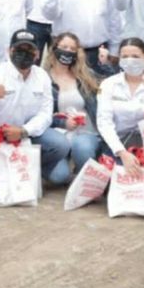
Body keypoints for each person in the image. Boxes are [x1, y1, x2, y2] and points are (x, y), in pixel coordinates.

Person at [0, 29, 72, 186]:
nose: (24, 53)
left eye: (29, 50)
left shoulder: (42, 76)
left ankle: (26, 167)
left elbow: (45, 114)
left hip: (26, 136)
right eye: (19, 49)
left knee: (60, 150)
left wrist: (23, 131)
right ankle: (14, 168)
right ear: (9, 51)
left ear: (37, 54)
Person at [94, 38, 144, 177]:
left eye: (135, 56)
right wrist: (122, 153)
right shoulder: (109, 84)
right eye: (125, 56)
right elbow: (104, 122)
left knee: (142, 179)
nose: (130, 60)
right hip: (118, 141)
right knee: (112, 178)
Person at [43, 32, 102, 179]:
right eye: (64, 47)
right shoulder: (42, 78)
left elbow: (109, 82)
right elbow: (37, 114)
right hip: (59, 134)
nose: (67, 51)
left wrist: (105, 62)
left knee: (82, 148)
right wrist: (62, 122)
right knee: (58, 177)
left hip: (86, 132)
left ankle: (82, 175)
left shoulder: (85, 76)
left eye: (72, 49)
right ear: (54, 48)